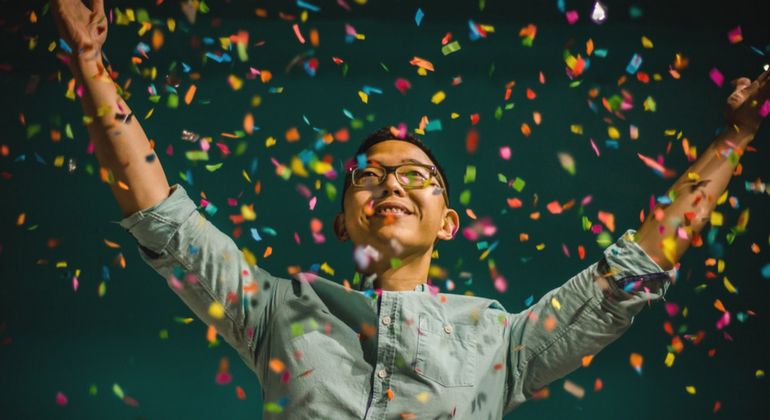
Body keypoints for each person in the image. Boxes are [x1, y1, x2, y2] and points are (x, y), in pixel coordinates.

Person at [51, 1, 768, 418]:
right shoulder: (274, 311)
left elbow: (631, 274)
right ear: (342, 218)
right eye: (370, 175)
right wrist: (89, 62)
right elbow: (161, 216)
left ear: (448, 222)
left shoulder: (504, 344)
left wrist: (735, 137)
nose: (391, 185)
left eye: (416, 176)